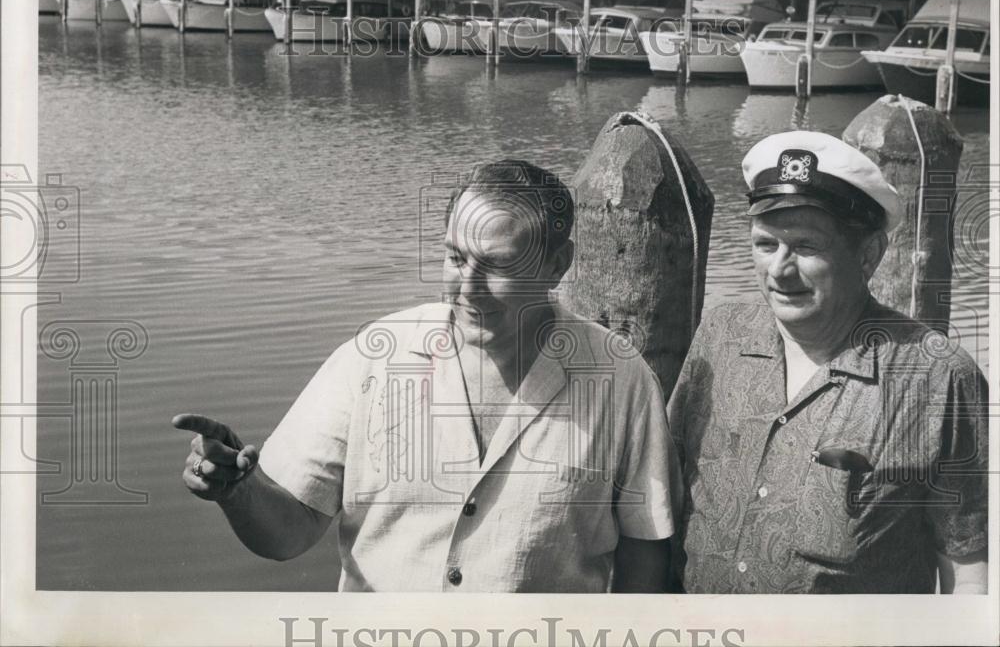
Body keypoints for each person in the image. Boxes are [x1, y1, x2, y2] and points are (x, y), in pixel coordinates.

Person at [174, 159, 681, 592]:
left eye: (498, 265)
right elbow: (287, 534)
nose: (468, 288)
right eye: (455, 258)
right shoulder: (373, 359)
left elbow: (644, 553)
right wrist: (239, 492)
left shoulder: (620, 380)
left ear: (558, 264)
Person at [667, 131, 988, 594]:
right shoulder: (720, 335)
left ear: (868, 255)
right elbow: (666, 498)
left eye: (806, 246)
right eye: (765, 244)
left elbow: (967, 570)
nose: (779, 269)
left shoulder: (938, 378)